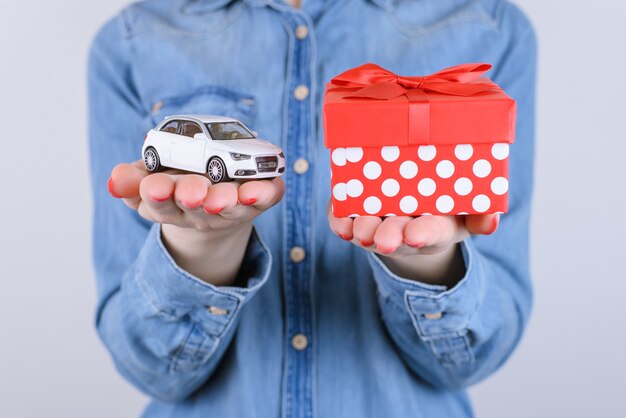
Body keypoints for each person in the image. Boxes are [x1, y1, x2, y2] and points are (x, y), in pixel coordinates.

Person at [88, 0, 536, 416]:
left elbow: (473, 362)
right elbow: (148, 368)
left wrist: (432, 267)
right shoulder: (131, 41)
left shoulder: (491, 27)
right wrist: (202, 249)